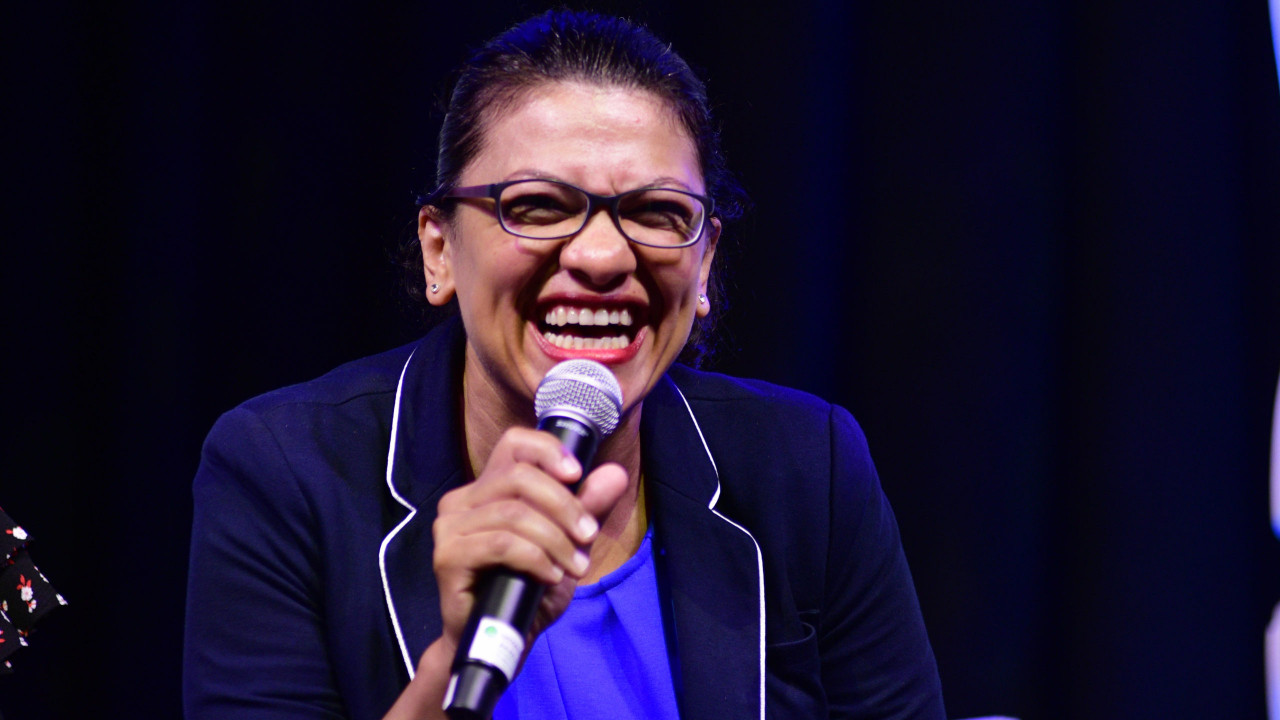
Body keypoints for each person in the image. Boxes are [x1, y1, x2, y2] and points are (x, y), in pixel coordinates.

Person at [183, 10, 945, 720]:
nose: (603, 257)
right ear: (439, 249)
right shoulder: (283, 472)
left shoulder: (809, 468)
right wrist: (452, 662)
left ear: (705, 262)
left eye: (657, 214)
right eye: (538, 205)